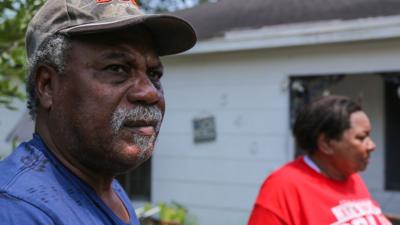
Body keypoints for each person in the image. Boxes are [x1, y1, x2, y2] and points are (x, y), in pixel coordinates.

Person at [0, 0, 196, 224]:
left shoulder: (104, 185)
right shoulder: (18, 210)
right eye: (117, 68)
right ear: (47, 85)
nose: (150, 93)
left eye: (154, 74)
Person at [247, 95, 392, 225]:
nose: (372, 145)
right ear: (326, 143)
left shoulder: (352, 178)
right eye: (361, 138)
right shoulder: (284, 186)